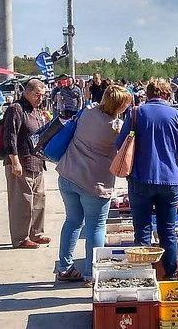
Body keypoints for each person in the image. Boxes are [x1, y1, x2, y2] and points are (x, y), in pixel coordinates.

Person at [55, 85, 133, 283]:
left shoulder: (87, 112)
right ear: (121, 105)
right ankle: (92, 274)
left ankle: (64, 267)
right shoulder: (116, 127)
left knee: (72, 221)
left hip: (68, 174)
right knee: (96, 227)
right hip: (94, 183)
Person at [116, 78, 178, 279]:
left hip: (140, 178)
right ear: (167, 95)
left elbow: (119, 144)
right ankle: (171, 277)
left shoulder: (135, 113)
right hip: (170, 181)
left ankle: (144, 278)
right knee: (168, 232)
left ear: (147, 94)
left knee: (142, 232)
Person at [3, 78, 51, 249]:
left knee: (39, 200)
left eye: (43, 96)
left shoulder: (37, 110)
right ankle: (21, 238)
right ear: (27, 92)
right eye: (38, 95)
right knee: (22, 202)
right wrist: (15, 161)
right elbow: (10, 136)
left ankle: (36, 234)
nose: (41, 99)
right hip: (21, 162)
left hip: (37, 162)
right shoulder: (16, 109)